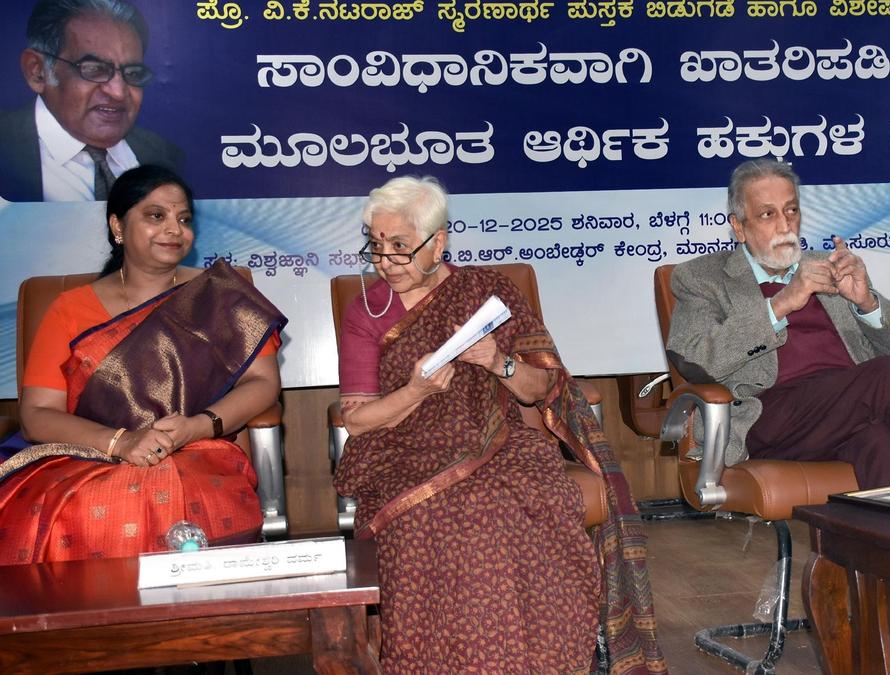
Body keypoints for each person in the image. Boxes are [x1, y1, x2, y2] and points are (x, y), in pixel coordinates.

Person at [332, 176, 665, 674]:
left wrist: (497, 362)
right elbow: (358, 421)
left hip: (498, 443)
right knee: (442, 516)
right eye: (376, 246)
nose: (386, 261)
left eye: (400, 246)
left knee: (526, 502)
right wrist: (415, 390)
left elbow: (540, 387)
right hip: (399, 453)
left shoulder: (488, 294)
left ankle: (540, 663)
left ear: (438, 243)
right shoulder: (366, 312)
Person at [0, 165, 285, 564]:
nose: (174, 229)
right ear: (117, 225)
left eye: (184, 219)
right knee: (93, 502)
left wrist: (197, 426)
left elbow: (263, 383)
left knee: (171, 488)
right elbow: (37, 414)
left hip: (194, 446)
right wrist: (121, 442)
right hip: (87, 454)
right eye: (156, 215)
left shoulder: (221, 298)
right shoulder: (70, 309)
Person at [666, 158, 890, 489]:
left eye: (791, 210)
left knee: (883, 444)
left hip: (849, 405)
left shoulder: (828, 265)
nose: (785, 225)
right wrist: (781, 304)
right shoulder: (702, 278)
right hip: (771, 413)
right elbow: (696, 360)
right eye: (767, 214)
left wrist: (866, 304)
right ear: (739, 227)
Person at [0, 0, 182, 202]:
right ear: (38, 72)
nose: (118, 92)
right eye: (94, 69)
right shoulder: (6, 146)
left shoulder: (164, 156)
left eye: (132, 73)